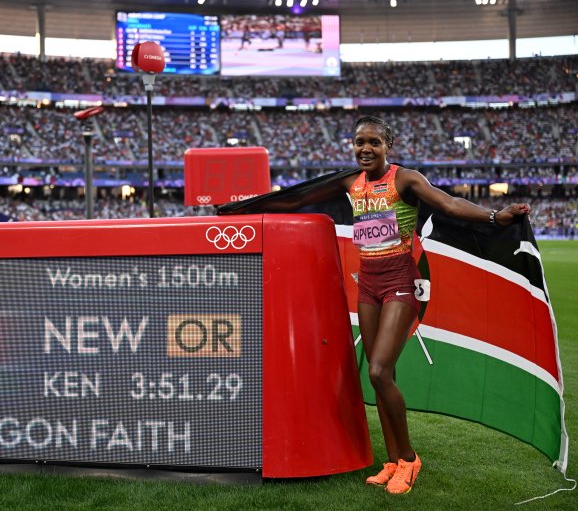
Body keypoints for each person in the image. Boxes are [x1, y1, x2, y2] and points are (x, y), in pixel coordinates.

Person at [219, 115, 530, 494]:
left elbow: (449, 205)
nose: (365, 149)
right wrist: (239, 211)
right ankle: (392, 461)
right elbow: (298, 197)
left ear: (388, 145)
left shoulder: (406, 180)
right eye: (359, 142)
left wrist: (496, 216)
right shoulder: (351, 182)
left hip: (400, 281)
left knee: (380, 371)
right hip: (367, 285)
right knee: (382, 378)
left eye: (373, 143)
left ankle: (410, 460)